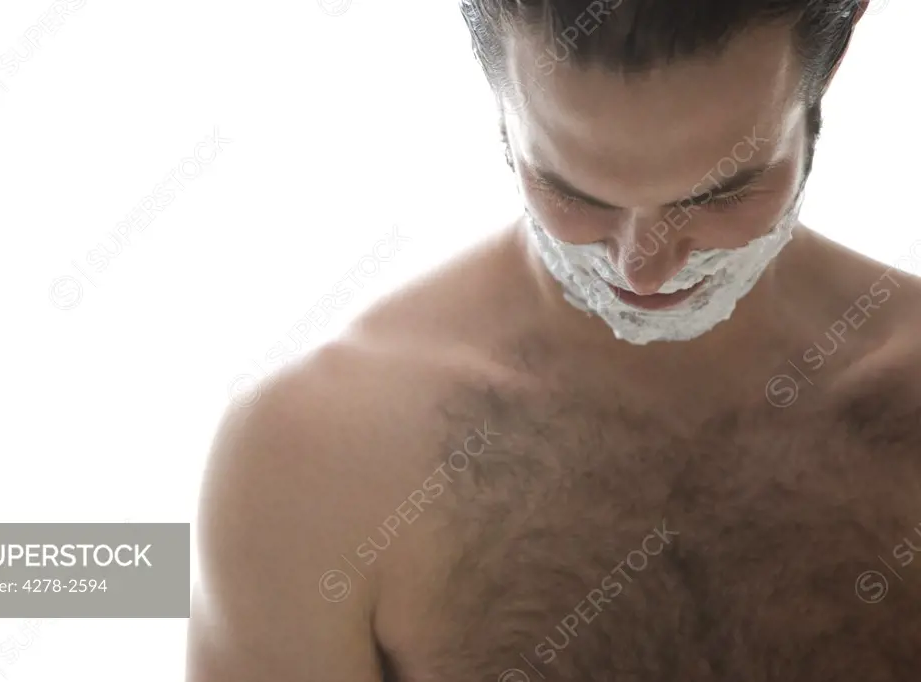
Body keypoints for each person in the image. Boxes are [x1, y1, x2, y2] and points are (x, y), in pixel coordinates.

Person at [186, 1, 921, 679]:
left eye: (721, 193)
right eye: (575, 193)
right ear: (502, 111)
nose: (644, 265)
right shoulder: (312, 459)